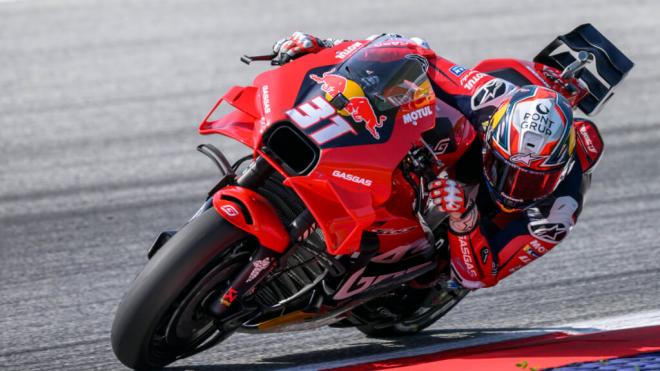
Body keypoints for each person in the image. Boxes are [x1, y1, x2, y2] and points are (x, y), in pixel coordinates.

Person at [272, 32, 604, 289]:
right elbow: (409, 51)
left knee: (446, 273)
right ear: (495, 134)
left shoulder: (556, 212)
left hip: (474, 227)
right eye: (509, 171)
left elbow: (479, 276)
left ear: (559, 168)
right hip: (461, 150)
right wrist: (325, 46)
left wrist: (465, 219)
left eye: (534, 180)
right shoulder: (482, 95)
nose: (516, 187)